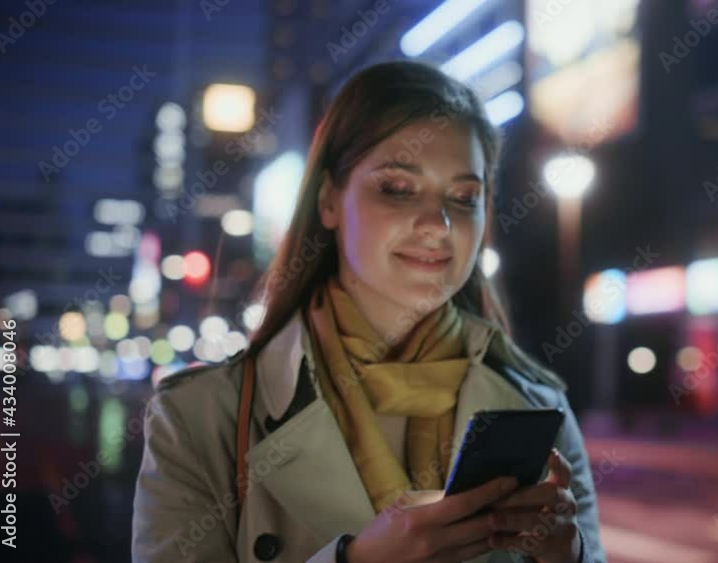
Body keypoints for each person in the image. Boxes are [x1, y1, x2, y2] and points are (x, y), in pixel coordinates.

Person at [132, 61, 606, 563]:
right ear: (329, 201)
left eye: (465, 197)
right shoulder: (201, 419)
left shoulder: (537, 410)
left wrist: (566, 556)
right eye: (398, 188)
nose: (438, 223)